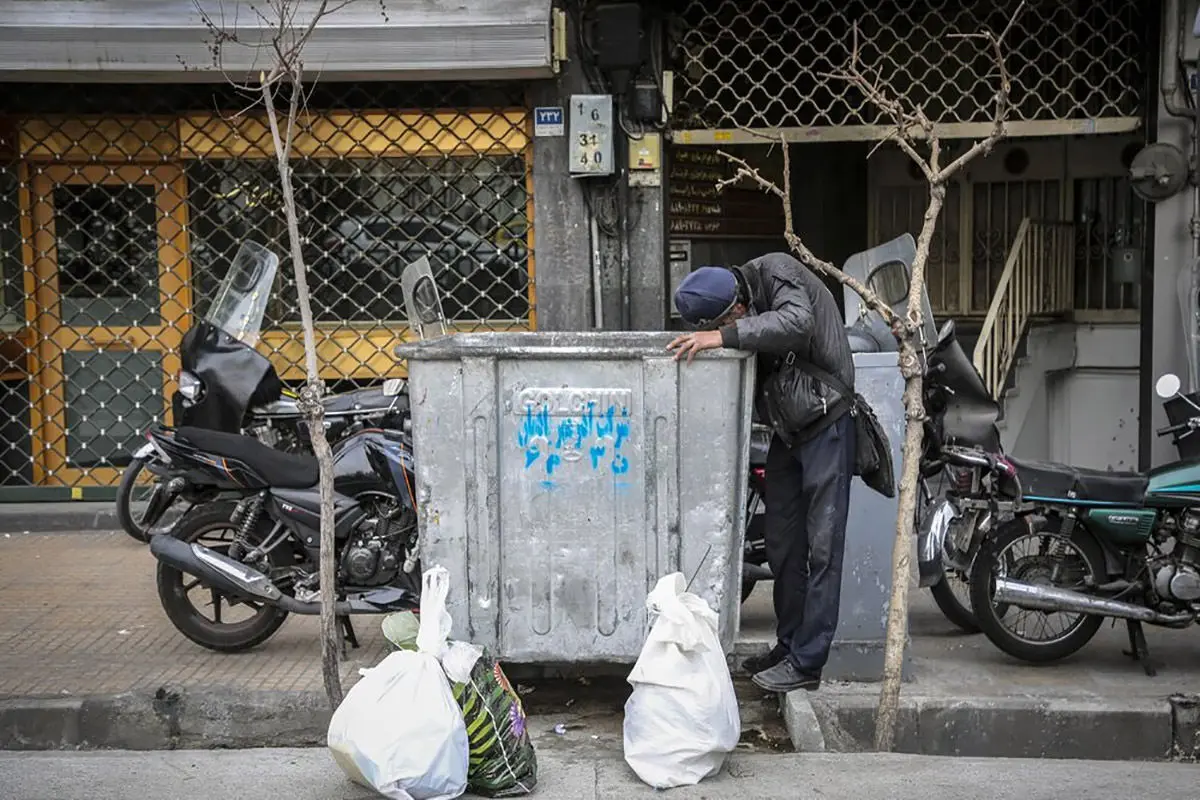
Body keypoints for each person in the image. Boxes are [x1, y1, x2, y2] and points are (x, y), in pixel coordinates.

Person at [667, 253, 856, 693]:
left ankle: (808, 662)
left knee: (824, 549)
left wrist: (725, 336)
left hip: (828, 423)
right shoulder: (738, 301)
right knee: (781, 542)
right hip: (789, 431)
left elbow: (797, 322)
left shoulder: (777, 271)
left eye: (730, 319)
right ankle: (787, 646)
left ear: (735, 303)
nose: (733, 323)